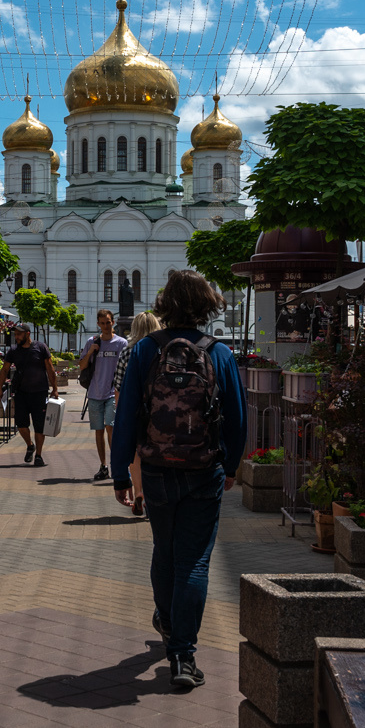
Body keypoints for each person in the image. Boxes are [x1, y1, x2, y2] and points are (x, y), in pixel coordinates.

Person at [110, 271, 246, 692]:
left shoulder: (145, 350)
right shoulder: (219, 353)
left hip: (155, 468)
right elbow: (237, 420)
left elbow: (128, 414)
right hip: (205, 470)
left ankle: (168, 622)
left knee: (164, 550)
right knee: (195, 561)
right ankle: (184, 656)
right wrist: (233, 467)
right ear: (208, 305)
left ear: (165, 303)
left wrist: (120, 474)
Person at [110, 311, 162, 516]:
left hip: (133, 410)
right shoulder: (163, 350)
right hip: (158, 411)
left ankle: (138, 492)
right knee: (155, 452)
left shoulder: (126, 352)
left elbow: (118, 387)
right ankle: (151, 496)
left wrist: (120, 412)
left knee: (135, 454)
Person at [75, 308, 129, 482]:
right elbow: (82, 366)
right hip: (95, 393)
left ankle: (116, 465)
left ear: (113, 322)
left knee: (110, 428)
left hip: (113, 393)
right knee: (98, 431)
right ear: (98, 324)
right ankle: (103, 466)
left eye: (108, 322)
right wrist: (91, 351)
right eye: (102, 323)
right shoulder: (92, 341)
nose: (106, 326)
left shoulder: (121, 343)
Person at [0, 326, 59, 467]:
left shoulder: (41, 347)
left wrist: (55, 389)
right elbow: (4, 369)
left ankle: (38, 456)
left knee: (39, 426)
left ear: (27, 334)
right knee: (21, 424)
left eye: (19, 334)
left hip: (39, 392)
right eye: (15, 334)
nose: (16, 337)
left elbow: (49, 368)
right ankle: (30, 445)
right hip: (21, 393)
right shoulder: (13, 351)